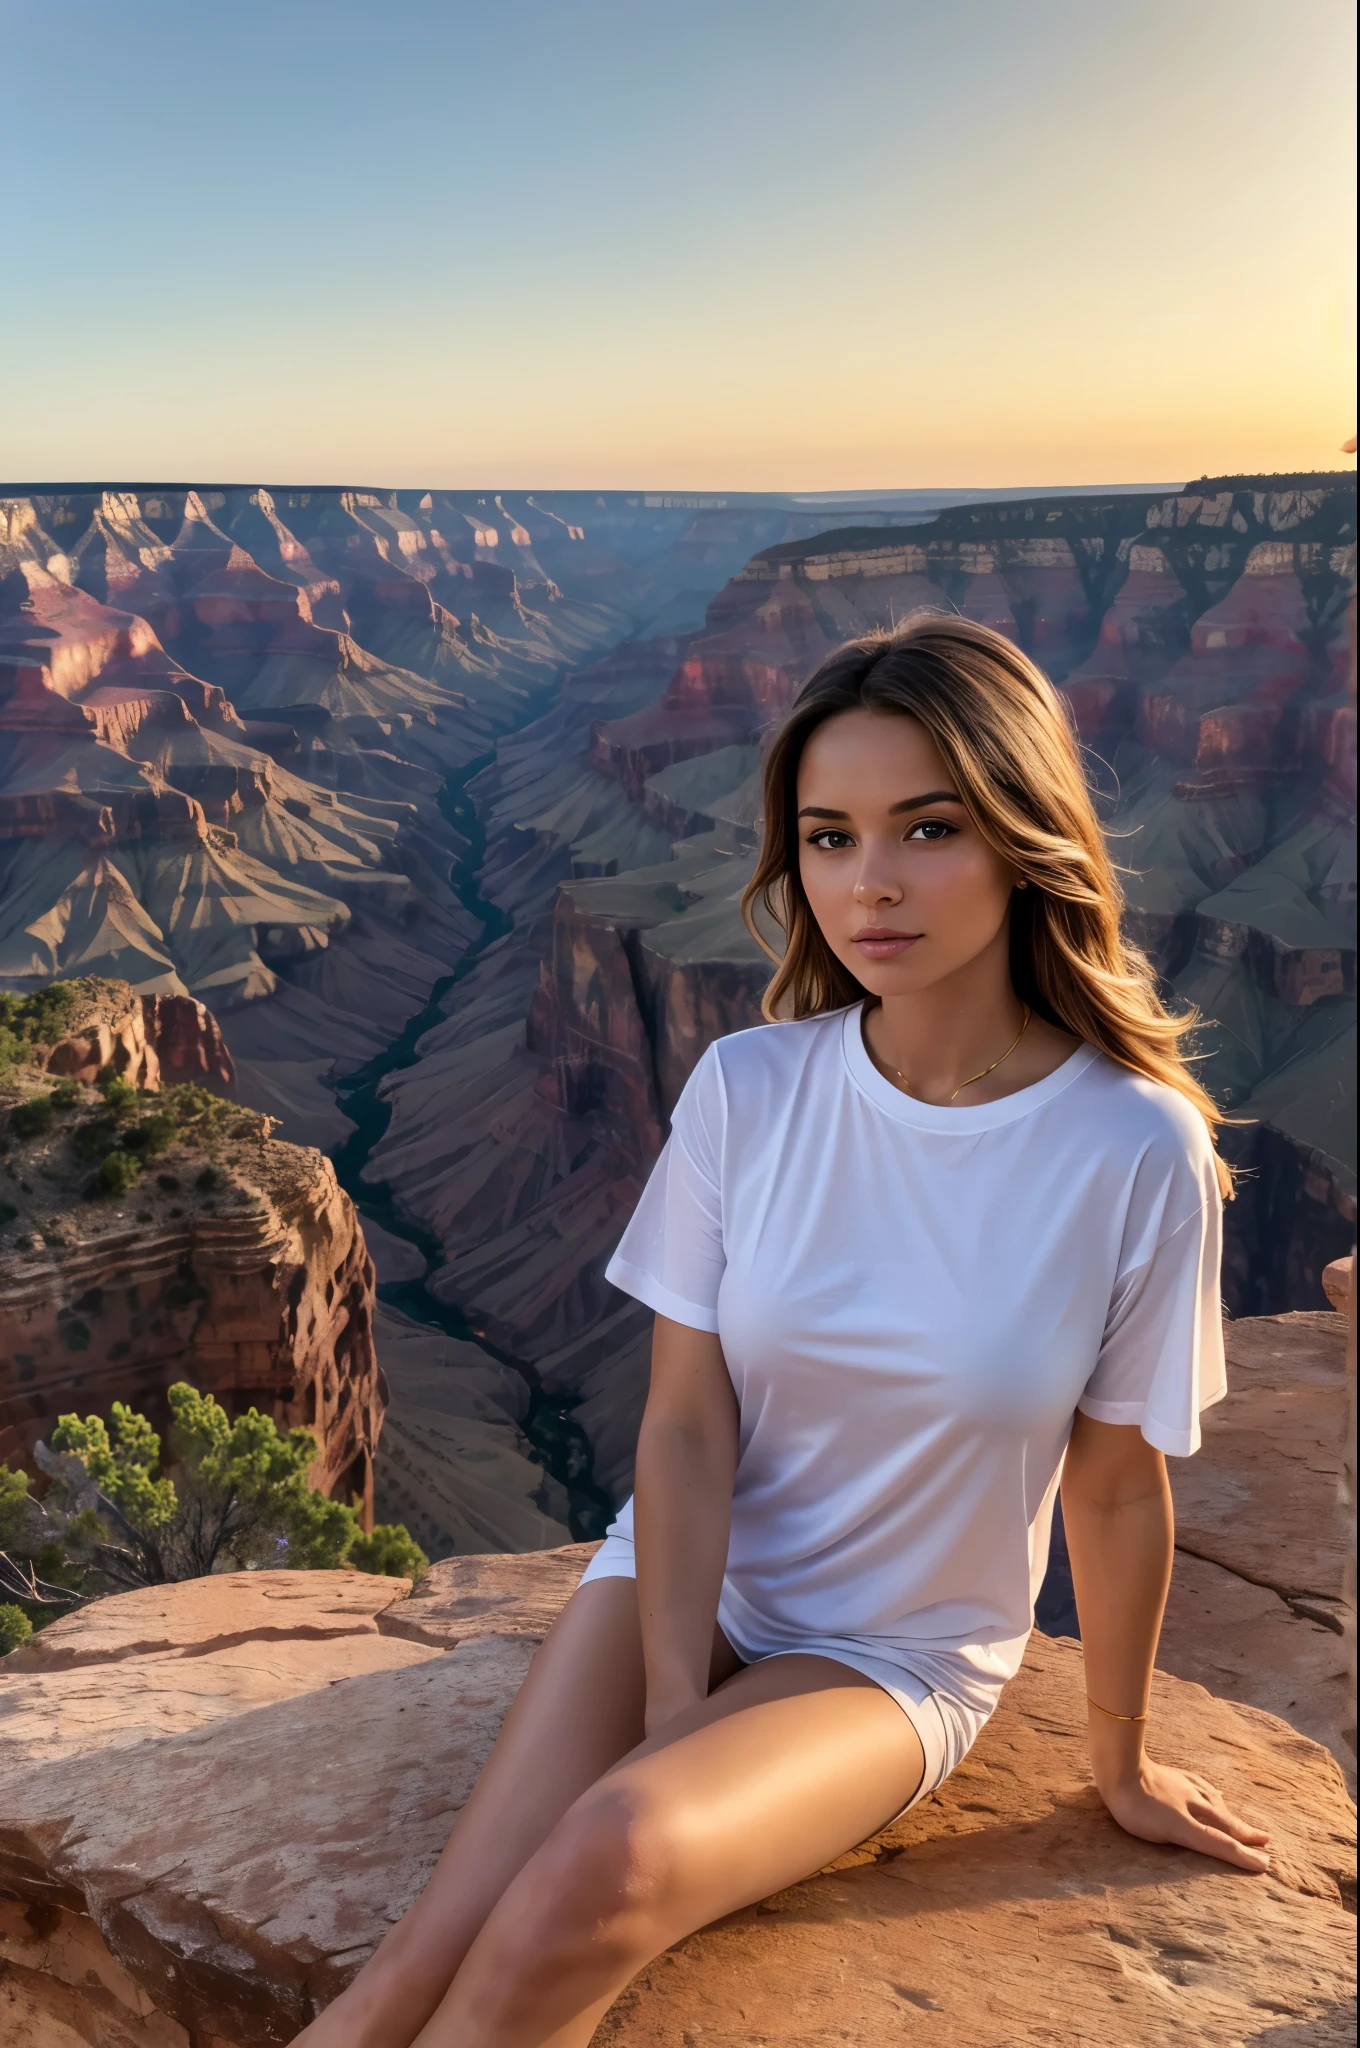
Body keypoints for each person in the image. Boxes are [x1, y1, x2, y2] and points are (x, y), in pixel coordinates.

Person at [298, 615, 1269, 2048]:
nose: (868, 885)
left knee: (601, 1866)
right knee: (408, 1968)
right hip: (685, 1574)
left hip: (900, 1653)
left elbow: (1117, 1484)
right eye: (828, 837)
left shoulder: (1134, 1150)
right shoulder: (751, 1087)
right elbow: (687, 1421)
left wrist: (1120, 1763)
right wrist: (678, 1697)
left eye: (926, 829)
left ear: (1023, 837)